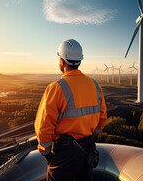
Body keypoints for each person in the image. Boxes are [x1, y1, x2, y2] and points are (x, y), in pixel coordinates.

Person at [34, 39, 107, 181]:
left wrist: (48, 154)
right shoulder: (94, 85)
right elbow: (102, 118)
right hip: (89, 149)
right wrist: (90, 134)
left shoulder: (56, 88)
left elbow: (43, 126)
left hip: (65, 153)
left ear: (62, 61)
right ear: (79, 61)